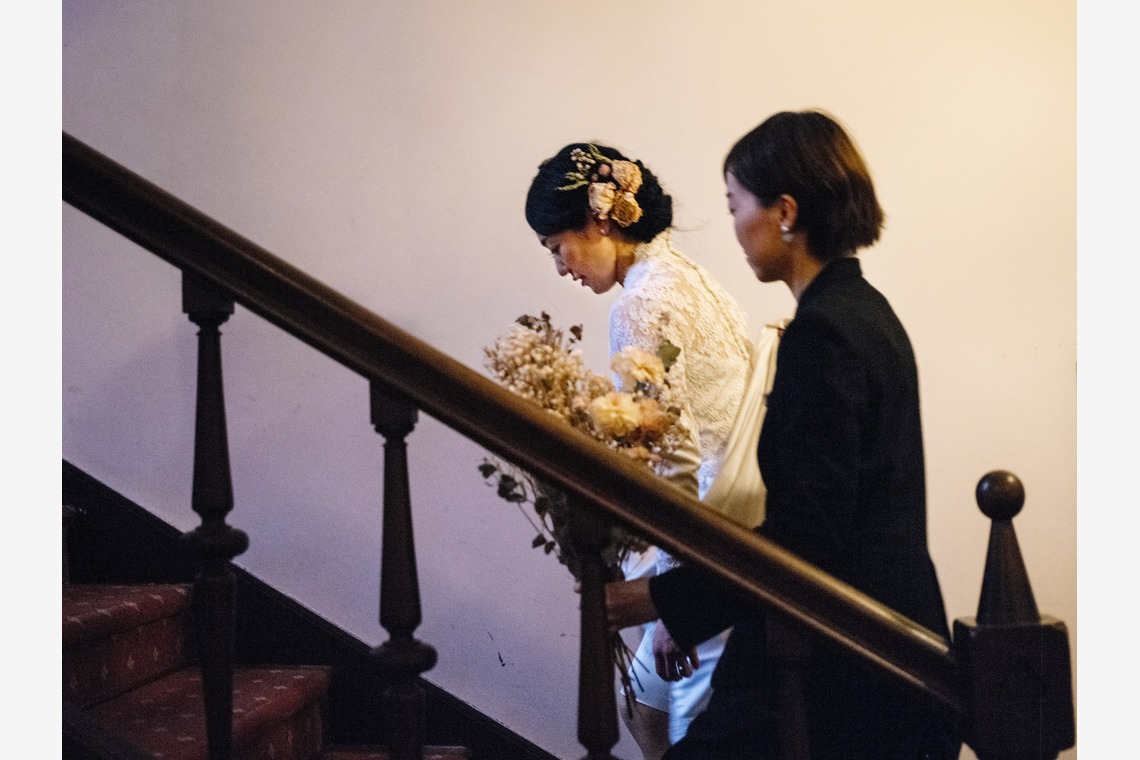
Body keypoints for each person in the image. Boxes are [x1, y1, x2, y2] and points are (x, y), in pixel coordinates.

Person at [606, 110, 961, 759]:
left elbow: (808, 535)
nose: (736, 225)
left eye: (736, 203)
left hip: (849, 673)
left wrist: (660, 598)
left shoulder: (822, 336)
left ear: (787, 212)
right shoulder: (867, 313)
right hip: (879, 649)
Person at [525, 143, 763, 759]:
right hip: (742, 523)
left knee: (675, 723)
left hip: (708, 533)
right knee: (651, 710)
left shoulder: (641, 305)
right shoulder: (684, 276)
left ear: (600, 219)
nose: (559, 267)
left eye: (557, 246)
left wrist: (672, 600)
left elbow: (673, 456)